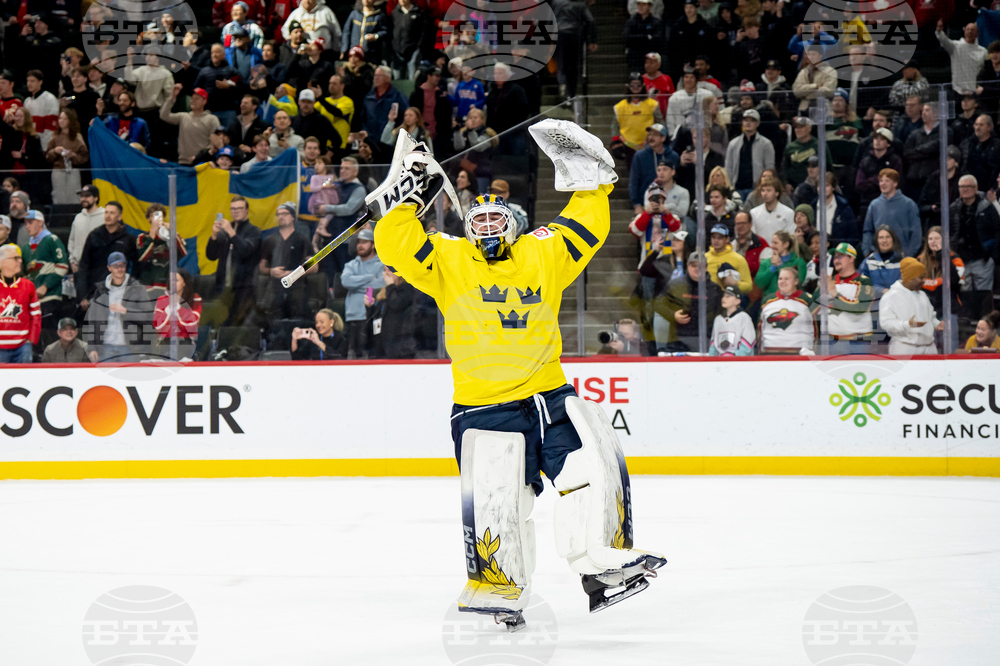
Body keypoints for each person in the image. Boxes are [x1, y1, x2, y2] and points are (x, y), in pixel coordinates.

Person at [374, 123, 661, 620]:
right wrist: (404, 200)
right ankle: (499, 585)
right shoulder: (449, 258)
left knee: (588, 471)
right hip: (484, 408)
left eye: (495, 219)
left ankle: (601, 563)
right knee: (499, 503)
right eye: (477, 220)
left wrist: (589, 179)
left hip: (548, 397)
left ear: (515, 224)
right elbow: (396, 247)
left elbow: (587, 226)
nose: (485, 227)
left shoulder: (541, 252)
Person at [83, 251, 154, 363]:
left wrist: (126, 311)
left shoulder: (137, 288)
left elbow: (148, 317)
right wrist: (92, 348)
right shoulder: (100, 290)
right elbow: (92, 321)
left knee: (130, 380)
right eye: (116, 266)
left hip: (130, 348)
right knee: (106, 380)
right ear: (109, 268)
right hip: (105, 347)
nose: (120, 269)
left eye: (122, 265)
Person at [205, 195, 262, 327]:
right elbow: (211, 255)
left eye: (240, 208)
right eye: (233, 209)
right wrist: (214, 236)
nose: (236, 211)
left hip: (244, 287)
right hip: (223, 286)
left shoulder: (254, 232)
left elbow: (245, 251)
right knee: (221, 323)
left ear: (247, 210)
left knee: (239, 326)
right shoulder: (224, 231)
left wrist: (231, 233)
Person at [76, 202, 139, 308]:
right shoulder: (94, 236)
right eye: (106, 212)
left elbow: (137, 266)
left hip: (120, 291)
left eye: (112, 213)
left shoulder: (128, 239)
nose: (108, 216)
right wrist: (82, 295)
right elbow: (84, 266)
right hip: (95, 290)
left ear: (119, 217)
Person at [814, 242, 875, 352]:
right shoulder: (830, 281)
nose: (836, 260)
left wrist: (834, 293)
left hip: (858, 342)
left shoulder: (863, 281)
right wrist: (821, 288)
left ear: (851, 258)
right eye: (835, 257)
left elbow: (860, 308)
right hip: (832, 341)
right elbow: (812, 308)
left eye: (840, 256)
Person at [658, 251, 723, 351]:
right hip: (678, 340)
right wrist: (672, 315)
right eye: (693, 265)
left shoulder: (715, 289)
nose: (697, 269)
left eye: (700, 266)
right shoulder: (675, 285)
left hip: (707, 340)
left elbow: (721, 314)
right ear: (688, 266)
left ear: (706, 267)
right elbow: (658, 304)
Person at [878, 257, 942, 355]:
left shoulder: (922, 295)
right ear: (909, 277)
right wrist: (907, 324)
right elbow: (886, 323)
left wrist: (937, 324)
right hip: (905, 348)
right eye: (920, 277)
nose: (924, 281)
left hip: (929, 347)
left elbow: (931, 317)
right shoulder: (890, 296)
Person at [260, 202, 312, 320]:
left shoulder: (302, 240)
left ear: (293, 216)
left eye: (285, 213)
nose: (281, 217)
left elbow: (314, 266)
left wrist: (293, 273)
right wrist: (271, 271)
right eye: (278, 214)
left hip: (297, 289)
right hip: (275, 289)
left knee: (297, 321)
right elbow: (261, 267)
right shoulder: (270, 240)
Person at [950, 174, 999, 295]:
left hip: (983, 258)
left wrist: (992, 254)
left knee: (984, 296)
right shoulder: (953, 208)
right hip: (962, 258)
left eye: (969, 186)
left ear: (976, 188)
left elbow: (997, 231)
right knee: (964, 295)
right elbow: (950, 233)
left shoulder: (987, 207)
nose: (965, 189)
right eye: (962, 186)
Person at [20, 209, 67, 332]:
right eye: (26, 223)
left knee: (49, 335)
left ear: (41, 222)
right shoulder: (25, 247)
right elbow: (25, 273)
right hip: (33, 301)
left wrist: (46, 286)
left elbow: (62, 266)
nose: (27, 226)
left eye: (30, 222)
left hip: (50, 297)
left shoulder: (52, 240)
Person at [341, 227, 384, 358]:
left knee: (371, 356)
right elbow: (346, 281)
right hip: (353, 317)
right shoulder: (351, 265)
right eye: (359, 242)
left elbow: (380, 284)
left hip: (372, 316)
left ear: (373, 245)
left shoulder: (381, 264)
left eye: (365, 242)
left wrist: (357, 284)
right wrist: (369, 277)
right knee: (353, 356)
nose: (360, 245)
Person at [862, 169, 921, 258]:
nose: (883, 184)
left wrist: (909, 254)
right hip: (879, 256)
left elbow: (916, 233)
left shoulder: (909, 204)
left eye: (887, 181)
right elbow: (867, 230)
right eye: (881, 181)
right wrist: (867, 251)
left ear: (895, 183)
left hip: (902, 257)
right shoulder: (874, 205)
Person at [759, 265, 815, 354]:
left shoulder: (807, 300)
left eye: (786, 279)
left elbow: (815, 328)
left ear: (796, 281)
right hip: (770, 352)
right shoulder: (768, 300)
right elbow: (761, 327)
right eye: (780, 279)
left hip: (800, 353)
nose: (782, 282)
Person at [902, 103, 951, 202]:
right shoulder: (915, 133)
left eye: (927, 110)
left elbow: (937, 147)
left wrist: (917, 150)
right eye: (923, 110)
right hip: (913, 181)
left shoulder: (945, 131)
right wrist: (927, 152)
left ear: (936, 113)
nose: (923, 113)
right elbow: (907, 152)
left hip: (933, 182)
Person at [160, 85, 220, 165]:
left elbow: (215, 143)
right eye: (192, 98)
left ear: (204, 101)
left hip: (202, 162)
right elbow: (164, 115)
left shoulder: (212, 119)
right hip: (183, 162)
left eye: (197, 99)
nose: (193, 101)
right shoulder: (183, 116)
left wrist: (200, 157)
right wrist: (172, 96)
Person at [0, 245, 40, 363]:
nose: (20, 261)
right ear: (3, 262)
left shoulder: (28, 286)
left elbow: (36, 315)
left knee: (24, 381)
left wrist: (31, 340)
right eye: (15, 258)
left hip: (23, 347)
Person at [135, 204, 187, 292]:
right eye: (153, 215)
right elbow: (142, 258)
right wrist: (152, 235)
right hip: (148, 286)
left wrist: (172, 233)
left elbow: (183, 253)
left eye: (160, 215)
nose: (157, 218)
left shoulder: (173, 236)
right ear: (148, 219)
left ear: (164, 217)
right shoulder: (143, 237)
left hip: (168, 285)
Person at [725, 109, 775, 201]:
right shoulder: (733, 144)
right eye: (745, 120)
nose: (748, 123)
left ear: (758, 123)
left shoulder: (766, 144)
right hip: (737, 189)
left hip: (757, 190)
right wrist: (730, 188)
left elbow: (769, 169)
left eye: (752, 120)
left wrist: (763, 188)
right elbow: (728, 167)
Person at [152, 268, 202, 359]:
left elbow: (192, 325)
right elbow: (158, 326)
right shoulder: (162, 300)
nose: (173, 283)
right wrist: (167, 312)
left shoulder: (195, 299)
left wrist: (179, 308)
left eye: (176, 280)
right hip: (165, 344)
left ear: (184, 283)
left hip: (185, 344)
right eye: (171, 280)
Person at [553, 0, 599, 98]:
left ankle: (563, 83)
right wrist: (592, 40)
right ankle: (571, 92)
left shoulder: (556, 2)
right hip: (575, 34)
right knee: (573, 66)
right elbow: (590, 21)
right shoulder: (580, 5)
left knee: (561, 63)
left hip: (560, 33)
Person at [628, 124, 677, 214]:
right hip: (645, 204)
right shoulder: (640, 156)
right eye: (649, 134)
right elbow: (634, 180)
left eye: (655, 135)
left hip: (670, 203)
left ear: (663, 138)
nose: (651, 137)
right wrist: (637, 204)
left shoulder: (672, 156)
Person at [371, 265, 418, 359]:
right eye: (385, 270)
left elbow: (396, 304)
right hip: (383, 343)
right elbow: (377, 316)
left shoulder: (407, 288)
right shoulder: (384, 292)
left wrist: (390, 286)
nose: (386, 273)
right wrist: (370, 306)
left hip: (401, 345)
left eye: (390, 270)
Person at [855, 128, 902, 219]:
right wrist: (879, 180)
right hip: (867, 203)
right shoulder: (865, 161)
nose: (877, 141)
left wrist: (871, 180)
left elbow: (897, 183)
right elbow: (859, 185)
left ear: (888, 143)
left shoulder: (895, 161)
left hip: (889, 203)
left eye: (882, 139)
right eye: (875, 139)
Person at [44, 109, 88, 204]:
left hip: (73, 170)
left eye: (65, 118)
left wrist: (72, 155)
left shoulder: (77, 137)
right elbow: (47, 156)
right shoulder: (54, 136)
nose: (61, 121)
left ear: (70, 121)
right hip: (58, 170)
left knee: (73, 195)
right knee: (59, 195)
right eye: (60, 118)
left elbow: (84, 156)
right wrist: (55, 151)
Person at [936, 19, 986, 96]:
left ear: (977, 34)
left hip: (975, 92)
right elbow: (944, 41)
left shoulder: (983, 51)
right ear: (964, 31)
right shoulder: (956, 46)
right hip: (958, 91)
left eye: (972, 30)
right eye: (967, 29)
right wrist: (939, 31)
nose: (969, 32)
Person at [754, 230, 805, 304]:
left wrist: (780, 266)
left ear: (786, 244)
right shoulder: (766, 262)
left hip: (792, 303)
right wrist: (773, 268)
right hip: (770, 302)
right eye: (772, 243)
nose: (772, 246)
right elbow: (759, 283)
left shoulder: (799, 262)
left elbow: (799, 281)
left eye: (776, 243)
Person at [960, 115, 1000, 204]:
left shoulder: (997, 145)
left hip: (989, 190)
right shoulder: (967, 144)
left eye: (981, 125)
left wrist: (994, 188)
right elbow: (963, 165)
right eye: (976, 124)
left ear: (989, 127)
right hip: (971, 190)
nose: (977, 128)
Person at [860, 225, 904, 306]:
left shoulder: (902, 261)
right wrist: (881, 291)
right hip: (874, 307)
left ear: (893, 239)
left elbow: (905, 283)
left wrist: (891, 292)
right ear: (876, 241)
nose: (884, 240)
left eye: (888, 237)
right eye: (881, 237)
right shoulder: (868, 262)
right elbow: (862, 285)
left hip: (897, 304)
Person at [782, 116, 830, 189]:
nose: (798, 130)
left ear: (809, 128)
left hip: (816, 187)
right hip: (794, 187)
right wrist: (786, 184)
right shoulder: (790, 147)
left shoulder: (819, 145)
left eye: (801, 127)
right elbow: (784, 168)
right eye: (796, 127)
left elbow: (828, 167)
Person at [812, 172, 859, 247]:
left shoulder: (844, 208)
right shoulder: (812, 208)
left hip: (838, 252)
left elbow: (853, 235)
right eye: (820, 186)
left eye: (826, 185)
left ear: (833, 187)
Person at [709, 285, 755, 356]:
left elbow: (747, 346)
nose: (724, 298)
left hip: (738, 363)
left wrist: (732, 358)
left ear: (737, 301)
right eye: (723, 296)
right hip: (720, 363)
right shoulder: (718, 319)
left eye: (728, 296)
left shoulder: (744, 318)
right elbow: (713, 346)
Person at [706, 224, 752, 294]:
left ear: (727, 239)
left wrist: (735, 283)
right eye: (714, 237)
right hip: (707, 298)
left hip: (728, 299)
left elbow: (749, 286)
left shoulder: (738, 259)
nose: (716, 241)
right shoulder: (704, 258)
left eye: (720, 238)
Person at [68, 185, 104, 273]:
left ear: (96, 198)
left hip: (98, 267)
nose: (83, 199)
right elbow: (72, 240)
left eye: (87, 196)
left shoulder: (104, 217)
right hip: (79, 267)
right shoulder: (78, 217)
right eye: (82, 196)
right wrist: (72, 261)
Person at [792, 44, 836, 113]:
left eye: (814, 54)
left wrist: (806, 93)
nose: (811, 57)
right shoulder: (803, 72)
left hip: (823, 109)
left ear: (821, 56)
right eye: (809, 54)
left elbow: (828, 91)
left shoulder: (830, 71)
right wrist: (815, 86)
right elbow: (796, 91)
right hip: (804, 109)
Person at [750, 175, 794, 241]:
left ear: (777, 193)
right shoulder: (754, 213)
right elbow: (752, 237)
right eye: (763, 190)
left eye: (769, 190)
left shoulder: (788, 213)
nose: (765, 193)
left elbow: (791, 237)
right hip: (761, 250)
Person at [732, 211, 770, 278]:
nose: (740, 226)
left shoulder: (761, 244)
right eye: (738, 224)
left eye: (743, 223)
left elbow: (766, 270)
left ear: (750, 224)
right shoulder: (732, 245)